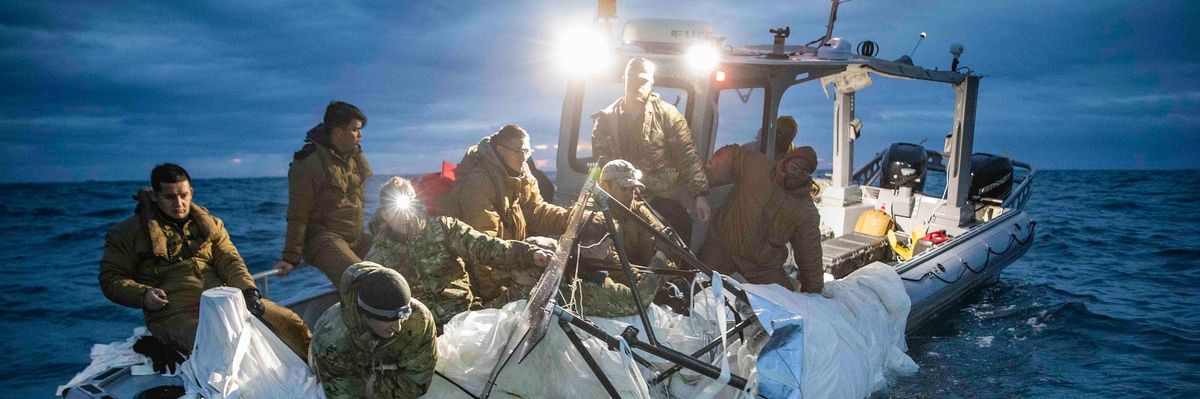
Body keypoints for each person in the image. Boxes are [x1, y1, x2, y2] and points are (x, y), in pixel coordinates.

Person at [99, 163, 311, 362]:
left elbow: (230, 260)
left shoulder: (211, 225)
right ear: (154, 196)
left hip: (224, 301)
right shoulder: (127, 233)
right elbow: (111, 278)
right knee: (220, 346)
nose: (179, 203)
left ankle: (322, 374)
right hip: (173, 313)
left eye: (183, 195)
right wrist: (143, 295)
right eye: (170, 197)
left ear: (191, 191)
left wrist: (248, 292)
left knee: (290, 321)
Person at [365, 177, 554, 329]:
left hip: (467, 317)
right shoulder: (378, 257)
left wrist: (529, 254)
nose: (405, 216)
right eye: (395, 209)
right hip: (423, 333)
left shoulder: (443, 228)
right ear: (383, 213)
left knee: (533, 270)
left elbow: (485, 247)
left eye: (408, 207)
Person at [441, 124, 570, 304]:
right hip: (483, 276)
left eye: (527, 151)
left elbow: (537, 211)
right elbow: (482, 248)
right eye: (518, 151)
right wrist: (495, 299)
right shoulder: (480, 183)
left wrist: (570, 219)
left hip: (506, 259)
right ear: (501, 150)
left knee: (552, 252)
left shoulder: (521, 175)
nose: (524, 157)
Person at [591, 57, 711, 246]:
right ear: (624, 79)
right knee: (598, 233)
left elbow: (687, 155)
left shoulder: (668, 115)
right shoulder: (606, 120)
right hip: (620, 198)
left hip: (660, 197)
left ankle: (677, 274)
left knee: (678, 230)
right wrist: (594, 192)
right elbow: (599, 163)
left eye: (643, 81)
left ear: (652, 83)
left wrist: (700, 195)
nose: (638, 85)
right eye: (633, 80)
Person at [697, 145, 825, 293]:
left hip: (761, 267)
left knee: (787, 305)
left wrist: (814, 291)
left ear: (808, 177)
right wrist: (706, 177)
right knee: (693, 284)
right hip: (722, 246)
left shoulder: (805, 211)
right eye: (794, 167)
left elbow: (810, 254)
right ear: (786, 162)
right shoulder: (758, 166)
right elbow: (732, 153)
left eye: (803, 173)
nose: (796, 174)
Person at [275, 101, 373, 285]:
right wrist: (290, 257)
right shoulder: (308, 164)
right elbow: (298, 213)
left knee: (398, 261)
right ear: (337, 132)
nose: (360, 135)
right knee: (363, 280)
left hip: (355, 237)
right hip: (323, 239)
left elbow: (361, 189)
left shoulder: (352, 157)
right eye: (355, 130)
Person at [310, 262, 437, 399]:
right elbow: (342, 394)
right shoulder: (330, 338)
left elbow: (417, 382)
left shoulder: (419, 319)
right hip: (342, 371)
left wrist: (374, 389)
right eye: (388, 319)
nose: (398, 327)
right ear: (366, 315)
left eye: (403, 315)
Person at [571, 160, 678, 317]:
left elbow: (660, 244)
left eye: (634, 189)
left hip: (642, 281)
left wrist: (673, 278)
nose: (631, 195)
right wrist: (650, 285)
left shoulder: (637, 209)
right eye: (624, 188)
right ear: (604, 186)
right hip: (611, 288)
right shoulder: (593, 217)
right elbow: (616, 266)